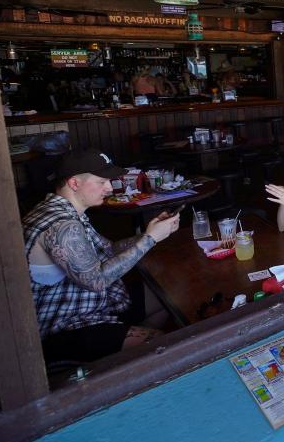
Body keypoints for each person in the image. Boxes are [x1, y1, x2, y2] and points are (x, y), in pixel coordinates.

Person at [23, 149, 180, 363]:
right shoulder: (62, 225)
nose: (109, 187)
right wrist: (150, 239)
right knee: (161, 345)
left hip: (88, 304)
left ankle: (122, 356)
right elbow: (97, 280)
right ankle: (123, 361)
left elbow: (109, 249)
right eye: (102, 181)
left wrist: (148, 233)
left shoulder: (65, 210)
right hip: (61, 325)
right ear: (74, 183)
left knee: (167, 298)